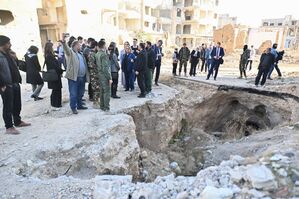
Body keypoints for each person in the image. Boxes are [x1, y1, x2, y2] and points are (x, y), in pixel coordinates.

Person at [0, 35, 31, 134]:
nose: (10, 45)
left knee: (17, 104)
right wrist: (2, 85)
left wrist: (15, 58)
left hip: (15, 83)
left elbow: (17, 66)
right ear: (2, 44)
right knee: (8, 106)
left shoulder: (9, 54)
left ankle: (17, 121)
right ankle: (9, 127)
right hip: (6, 85)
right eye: (8, 43)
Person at [62, 35, 90, 114]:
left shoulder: (80, 54)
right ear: (74, 46)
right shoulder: (70, 53)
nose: (80, 46)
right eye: (79, 45)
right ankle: (73, 107)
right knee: (73, 93)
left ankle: (80, 105)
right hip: (74, 77)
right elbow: (66, 50)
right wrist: (64, 43)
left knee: (80, 92)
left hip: (82, 77)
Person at [44, 42, 64, 109]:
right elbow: (55, 66)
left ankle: (56, 103)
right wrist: (60, 70)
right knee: (56, 90)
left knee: (55, 90)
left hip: (54, 74)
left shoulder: (48, 55)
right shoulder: (49, 56)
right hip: (54, 75)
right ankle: (56, 104)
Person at [95, 40, 112, 111]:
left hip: (99, 74)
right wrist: (109, 77)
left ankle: (102, 106)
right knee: (107, 91)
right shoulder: (104, 55)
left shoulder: (97, 54)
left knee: (102, 91)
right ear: (104, 45)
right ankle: (106, 107)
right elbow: (105, 67)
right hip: (104, 75)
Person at [87, 40, 101, 109]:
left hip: (95, 73)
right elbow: (92, 65)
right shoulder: (91, 54)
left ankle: (97, 102)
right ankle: (95, 103)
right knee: (96, 89)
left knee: (97, 89)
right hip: (94, 74)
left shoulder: (93, 53)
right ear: (95, 46)